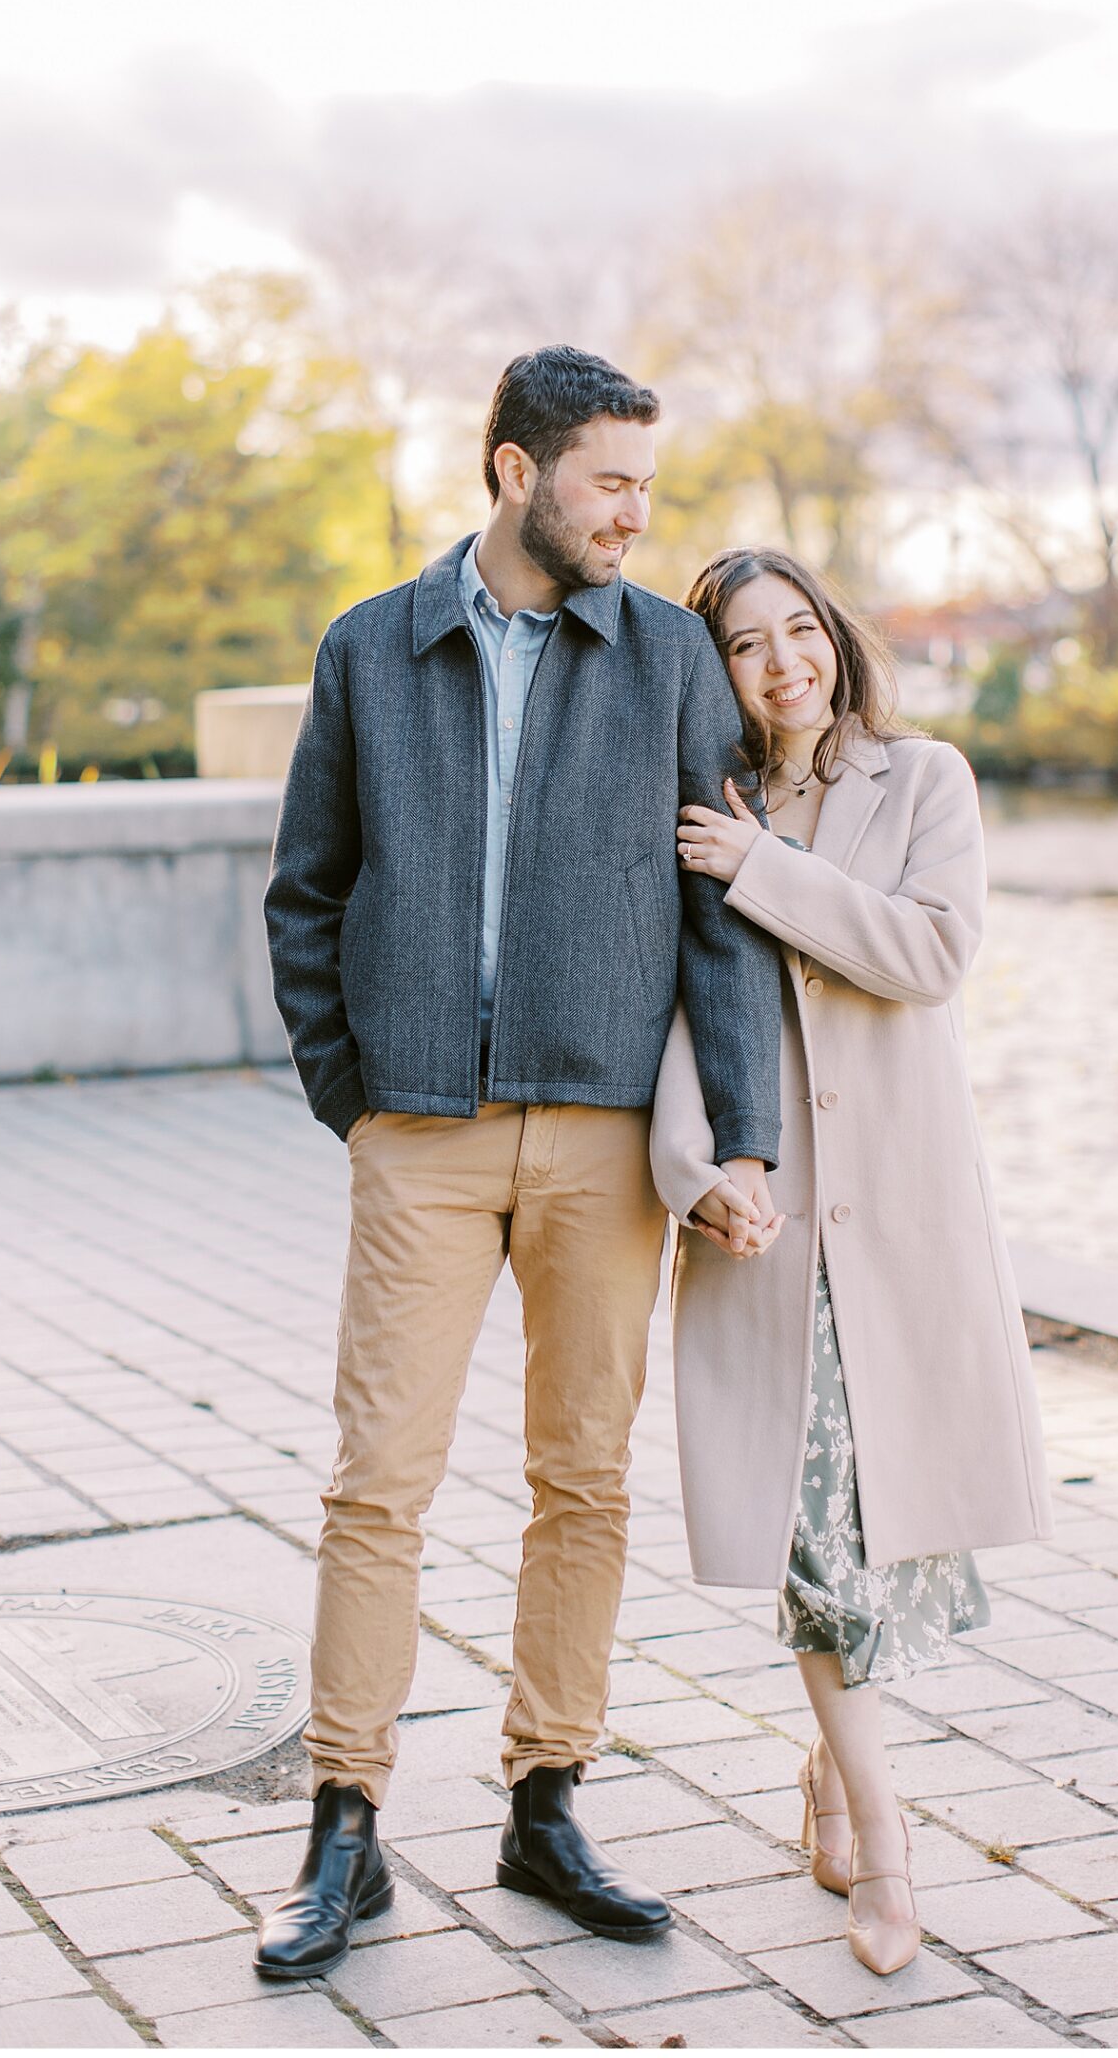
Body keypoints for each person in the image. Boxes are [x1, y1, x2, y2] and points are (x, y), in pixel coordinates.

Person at [255, 349, 785, 1978]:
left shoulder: (671, 657)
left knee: (583, 1483)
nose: (636, 512)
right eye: (609, 480)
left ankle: (545, 1801)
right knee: (377, 1488)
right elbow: (306, 893)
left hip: (606, 1144)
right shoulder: (370, 648)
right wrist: (356, 1091)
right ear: (513, 473)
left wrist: (740, 1138)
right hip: (417, 1132)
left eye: (644, 481)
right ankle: (345, 1830)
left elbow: (721, 916)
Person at [651, 546, 1054, 1978]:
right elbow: (680, 1016)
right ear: (715, 674)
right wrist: (696, 1175)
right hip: (771, 1223)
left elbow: (928, 952)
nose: (782, 664)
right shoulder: (697, 808)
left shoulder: (921, 780)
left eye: (798, 631)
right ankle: (886, 1838)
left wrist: (763, 868)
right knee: (813, 1531)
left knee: (879, 1532)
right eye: (746, 646)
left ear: (833, 639)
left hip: (899, 1214)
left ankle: (827, 1767)